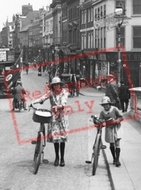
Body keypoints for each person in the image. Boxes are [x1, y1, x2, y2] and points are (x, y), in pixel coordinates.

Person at [31, 77, 69, 167]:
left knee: (62, 138)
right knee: (55, 138)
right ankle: (57, 157)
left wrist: (58, 107)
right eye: (54, 85)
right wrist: (33, 102)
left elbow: (64, 103)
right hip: (54, 117)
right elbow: (42, 98)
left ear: (60, 85)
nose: (56, 86)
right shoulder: (51, 93)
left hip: (62, 117)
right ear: (52, 86)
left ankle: (62, 158)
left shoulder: (64, 93)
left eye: (58, 84)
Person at [98, 96, 123, 167]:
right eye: (104, 105)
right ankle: (114, 158)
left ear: (109, 104)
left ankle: (117, 160)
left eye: (106, 104)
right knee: (111, 144)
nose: (105, 106)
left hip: (116, 128)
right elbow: (101, 119)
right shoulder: (102, 112)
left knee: (117, 143)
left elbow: (121, 116)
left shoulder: (114, 109)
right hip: (109, 128)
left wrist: (117, 120)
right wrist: (101, 121)